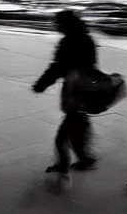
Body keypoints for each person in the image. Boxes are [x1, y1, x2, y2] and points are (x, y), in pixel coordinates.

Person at [32, 10, 98, 185]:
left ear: (66, 24)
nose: (56, 26)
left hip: (74, 92)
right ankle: (82, 158)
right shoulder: (86, 38)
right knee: (75, 127)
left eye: (58, 23)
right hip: (82, 90)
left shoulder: (70, 41)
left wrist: (41, 84)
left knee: (62, 136)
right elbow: (89, 65)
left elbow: (58, 67)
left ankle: (68, 164)